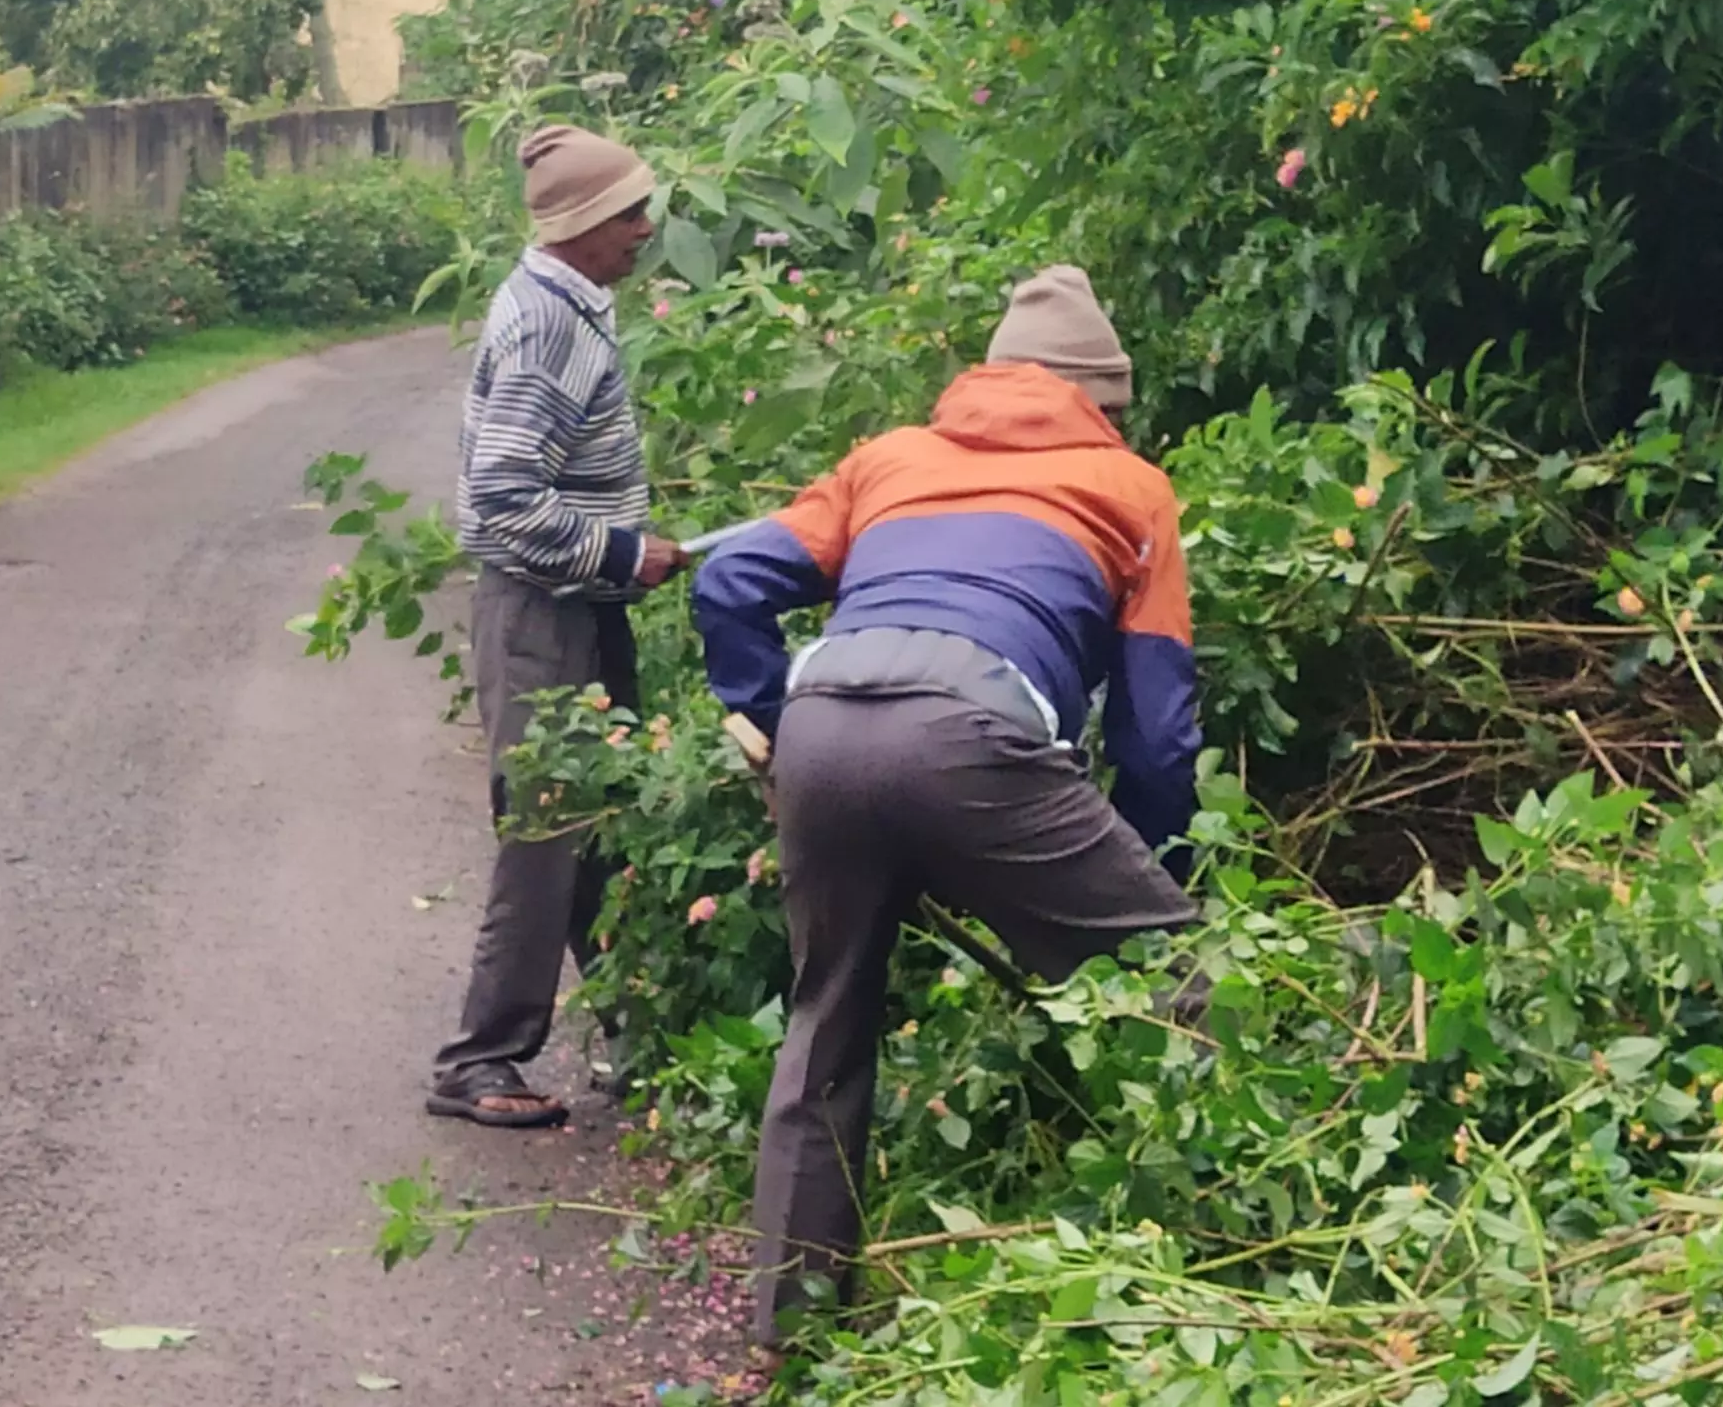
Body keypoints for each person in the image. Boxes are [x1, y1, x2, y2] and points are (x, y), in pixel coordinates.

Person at [690, 264, 1207, 1334]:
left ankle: (794, 1325)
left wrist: (775, 736)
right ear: (1099, 402)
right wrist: (1153, 876)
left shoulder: (890, 458)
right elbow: (1155, 736)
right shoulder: (1132, 488)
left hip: (825, 723)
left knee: (825, 1016)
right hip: (972, 737)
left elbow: (730, 579)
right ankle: (1218, 1252)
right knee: (1181, 988)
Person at [431, 124, 688, 1131]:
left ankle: (640, 1035)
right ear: (581, 223)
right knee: (545, 836)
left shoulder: (565, 303)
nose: (644, 228)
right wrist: (624, 552)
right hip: (542, 613)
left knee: (598, 832)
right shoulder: (550, 323)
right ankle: (479, 1059)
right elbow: (500, 494)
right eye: (629, 211)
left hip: (571, 608)